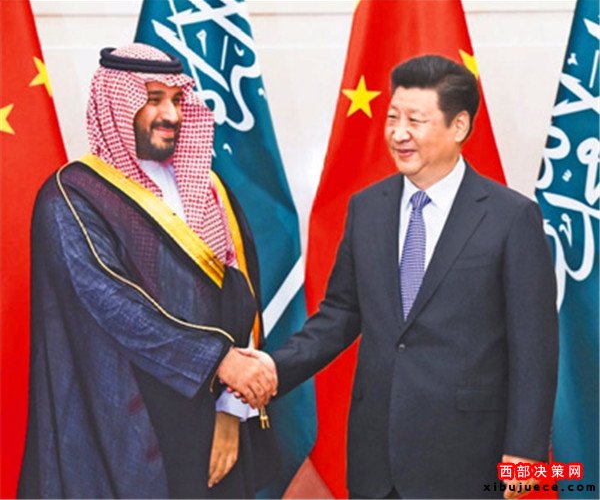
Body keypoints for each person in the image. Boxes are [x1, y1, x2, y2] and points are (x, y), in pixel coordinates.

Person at [243, 55, 558, 499]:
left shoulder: (511, 218)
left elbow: (534, 346)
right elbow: (340, 314)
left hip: (467, 456)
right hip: (376, 457)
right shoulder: (367, 208)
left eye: (415, 120)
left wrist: (525, 451)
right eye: (393, 117)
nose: (398, 133)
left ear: (459, 126)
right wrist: (275, 367)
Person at [18, 43, 278, 499]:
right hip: (122, 426)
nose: (171, 115)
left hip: (211, 423)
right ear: (116, 104)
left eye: (177, 100)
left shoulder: (209, 188)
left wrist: (230, 411)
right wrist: (218, 361)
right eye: (153, 99)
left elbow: (238, 299)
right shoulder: (70, 197)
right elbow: (112, 304)